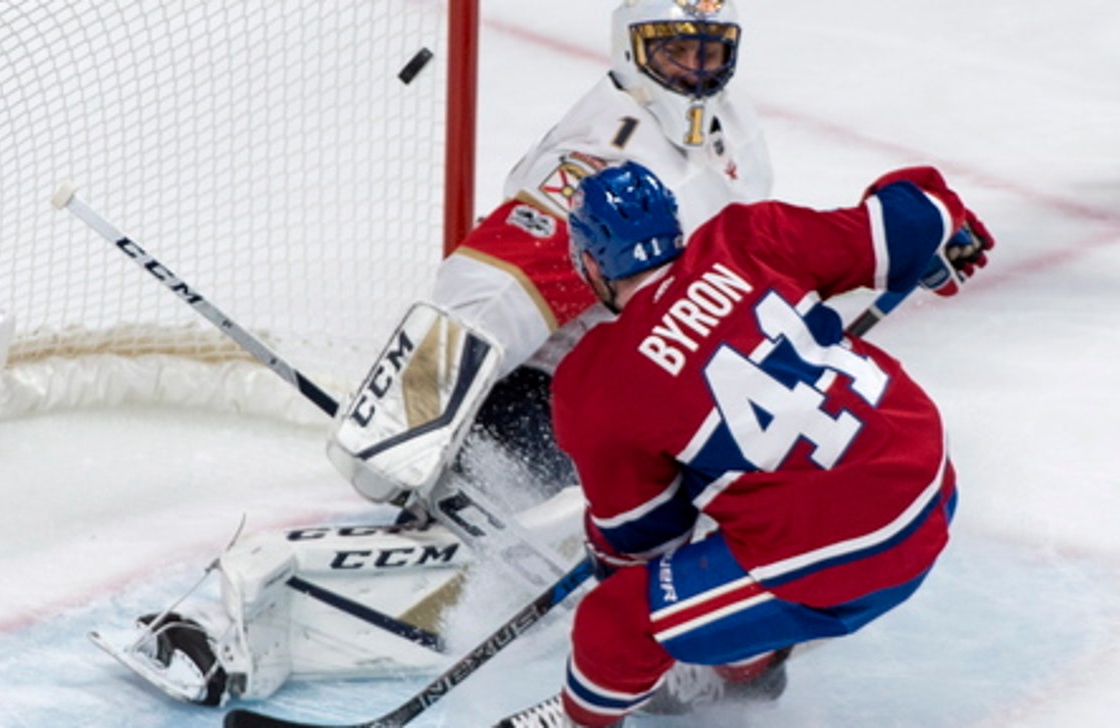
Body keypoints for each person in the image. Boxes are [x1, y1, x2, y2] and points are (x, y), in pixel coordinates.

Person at [492, 160, 994, 727]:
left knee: (615, 620)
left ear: (589, 263)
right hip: (928, 477)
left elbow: (641, 539)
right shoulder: (745, 237)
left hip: (852, 549)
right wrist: (949, 231)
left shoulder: (595, 382)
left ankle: (582, 721)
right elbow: (912, 214)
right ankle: (748, 665)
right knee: (732, 504)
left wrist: (641, 631)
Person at [328, 0, 772, 507]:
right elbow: (494, 289)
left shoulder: (732, 121)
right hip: (549, 398)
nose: (696, 72)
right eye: (677, 51)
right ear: (633, 48)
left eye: (710, 52)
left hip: (673, 371)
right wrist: (401, 424)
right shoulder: (600, 157)